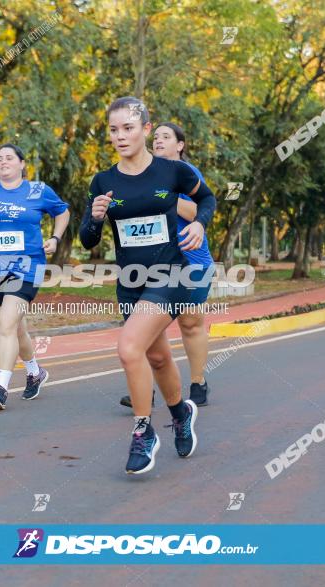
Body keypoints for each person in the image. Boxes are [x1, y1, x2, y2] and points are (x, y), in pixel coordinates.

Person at [80, 96, 217, 474]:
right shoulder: (103, 181)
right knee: (156, 357)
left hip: (171, 275)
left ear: (144, 129)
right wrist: (94, 219)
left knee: (128, 348)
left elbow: (207, 198)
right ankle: (180, 413)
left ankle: (144, 431)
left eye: (128, 128)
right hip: (131, 282)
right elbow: (88, 239)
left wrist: (199, 223)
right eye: (113, 130)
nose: (120, 136)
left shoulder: (172, 171)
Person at [0, 143, 70, 409]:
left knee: (7, 325)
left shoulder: (37, 190)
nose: (4, 162)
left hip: (26, 265)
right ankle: (34, 372)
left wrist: (55, 238)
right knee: (15, 327)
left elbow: (62, 212)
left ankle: (1, 389)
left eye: (9, 158)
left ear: (22, 164)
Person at [119, 121, 215, 408]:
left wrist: (163, 200)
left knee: (190, 322)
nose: (159, 141)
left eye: (166, 137)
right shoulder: (143, 174)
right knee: (147, 326)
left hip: (191, 259)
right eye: (156, 136)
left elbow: (199, 209)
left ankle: (198, 382)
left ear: (180, 145)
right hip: (153, 261)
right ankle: (144, 388)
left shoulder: (187, 174)